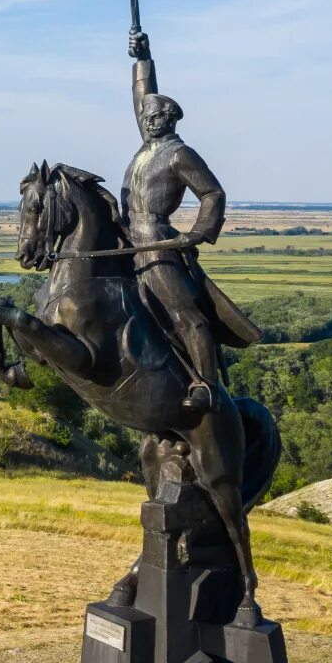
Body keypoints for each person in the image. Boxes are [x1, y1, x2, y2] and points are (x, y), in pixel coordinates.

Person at [122, 28, 255, 411]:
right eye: (146, 116)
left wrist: (197, 233)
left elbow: (213, 194)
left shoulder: (180, 154)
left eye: (155, 116)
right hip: (125, 235)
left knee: (186, 314)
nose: (147, 120)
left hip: (156, 241)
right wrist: (141, 60)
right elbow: (141, 96)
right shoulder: (146, 147)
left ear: (170, 120)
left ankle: (206, 386)